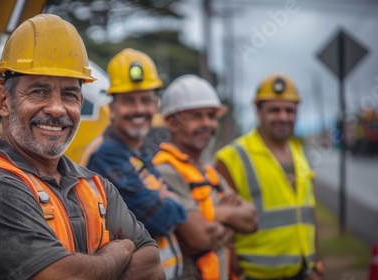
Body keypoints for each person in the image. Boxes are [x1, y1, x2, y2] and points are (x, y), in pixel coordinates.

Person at [0, 14, 164, 280]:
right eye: (39, 92)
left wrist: (90, 269)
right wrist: (121, 249)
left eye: (69, 94)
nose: (57, 109)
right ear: (2, 101)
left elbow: (152, 267)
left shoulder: (95, 186)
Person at [86, 48, 187, 279]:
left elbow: (178, 210)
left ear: (156, 106)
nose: (139, 109)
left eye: (146, 100)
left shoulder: (137, 152)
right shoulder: (107, 156)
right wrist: (166, 197)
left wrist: (169, 199)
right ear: (112, 109)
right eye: (129, 101)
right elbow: (161, 220)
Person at [215, 73, 324, 280]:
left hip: (303, 273)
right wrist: (236, 270)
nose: (283, 117)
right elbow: (220, 224)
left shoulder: (299, 154)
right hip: (254, 275)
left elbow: (309, 214)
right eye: (274, 110)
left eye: (289, 110)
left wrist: (315, 263)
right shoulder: (231, 157)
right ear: (258, 112)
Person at [153, 74, 258, 280]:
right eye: (196, 116)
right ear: (172, 123)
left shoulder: (208, 172)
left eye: (211, 116)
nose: (207, 123)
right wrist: (228, 215)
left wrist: (211, 216)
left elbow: (252, 220)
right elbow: (200, 237)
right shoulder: (164, 171)